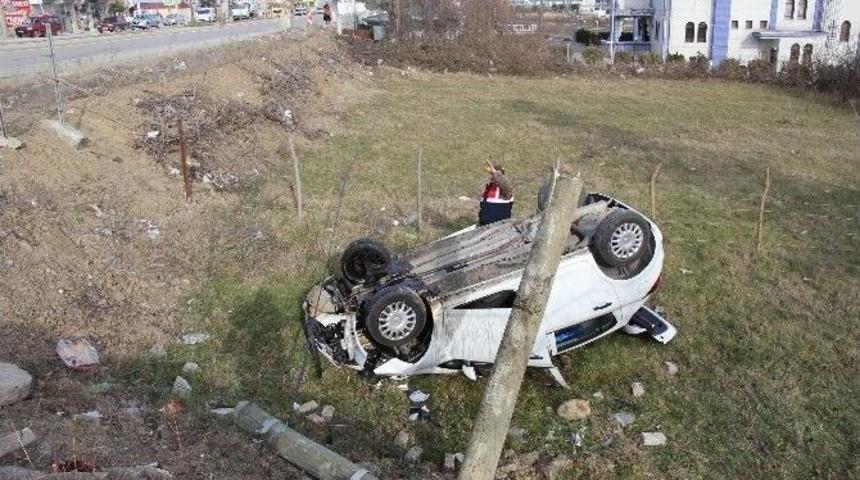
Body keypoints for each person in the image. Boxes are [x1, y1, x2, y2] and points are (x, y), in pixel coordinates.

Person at [478, 160, 514, 226]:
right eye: (492, 174)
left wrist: (494, 172)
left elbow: (502, 182)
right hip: (484, 226)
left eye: (498, 174)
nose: (494, 176)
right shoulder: (488, 187)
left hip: (498, 229)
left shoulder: (506, 189)